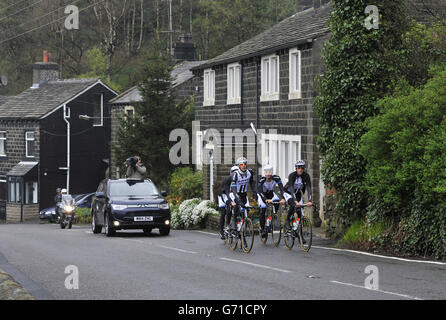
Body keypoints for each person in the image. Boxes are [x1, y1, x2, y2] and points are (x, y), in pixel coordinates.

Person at [283, 160, 313, 238]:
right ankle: (287, 221)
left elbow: (309, 188)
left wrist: (310, 200)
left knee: (300, 214)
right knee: (293, 205)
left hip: (297, 194)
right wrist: (295, 201)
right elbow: (292, 189)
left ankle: (298, 232)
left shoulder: (306, 176)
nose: (300, 169)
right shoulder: (292, 175)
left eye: (302, 168)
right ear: (296, 168)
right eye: (299, 167)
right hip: (288, 193)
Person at [257, 165, 286, 239]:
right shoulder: (262, 180)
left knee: (276, 201)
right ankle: (262, 228)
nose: (268, 174)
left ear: (272, 172)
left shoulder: (276, 178)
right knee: (263, 209)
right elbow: (260, 191)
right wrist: (265, 200)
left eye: (270, 172)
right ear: (264, 173)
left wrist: (282, 198)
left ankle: (273, 215)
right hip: (262, 195)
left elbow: (281, 189)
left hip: (271, 194)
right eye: (266, 172)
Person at [229, 157, 257, 231]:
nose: (244, 165)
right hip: (235, 193)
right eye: (241, 164)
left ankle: (243, 225)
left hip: (244, 194)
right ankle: (234, 225)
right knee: (236, 208)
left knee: (246, 208)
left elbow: (252, 183)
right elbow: (234, 188)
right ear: (238, 166)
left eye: (245, 164)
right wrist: (237, 197)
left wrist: (254, 192)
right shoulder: (235, 174)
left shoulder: (250, 172)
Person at [217, 166, 239, 239]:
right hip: (223, 195)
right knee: (224, 212)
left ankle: (232, 226)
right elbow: (226, 192)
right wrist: (230, 201)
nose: (234, 175)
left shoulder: (238, 179)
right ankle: (221, 231)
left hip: (231, 194)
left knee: (233, 208)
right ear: (230, 174)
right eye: (233, 173)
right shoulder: (227, 180)